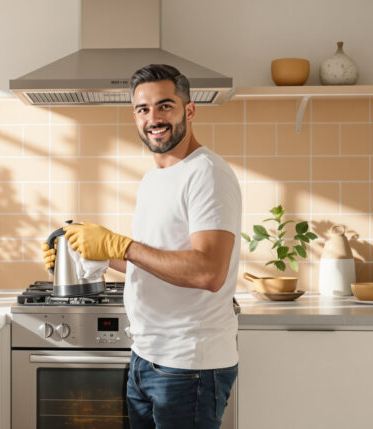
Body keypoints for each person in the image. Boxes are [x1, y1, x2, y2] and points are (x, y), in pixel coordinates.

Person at [43, 64, 241, 429]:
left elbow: (209, 272)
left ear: (189, 110)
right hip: (146, 357)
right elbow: (157, 261)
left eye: (165, 106)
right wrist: (92, 252)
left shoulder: (207, 174)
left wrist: (122, 245)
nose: (154, 118)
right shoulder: (153, 179)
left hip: (188, 366)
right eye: (142, 109)